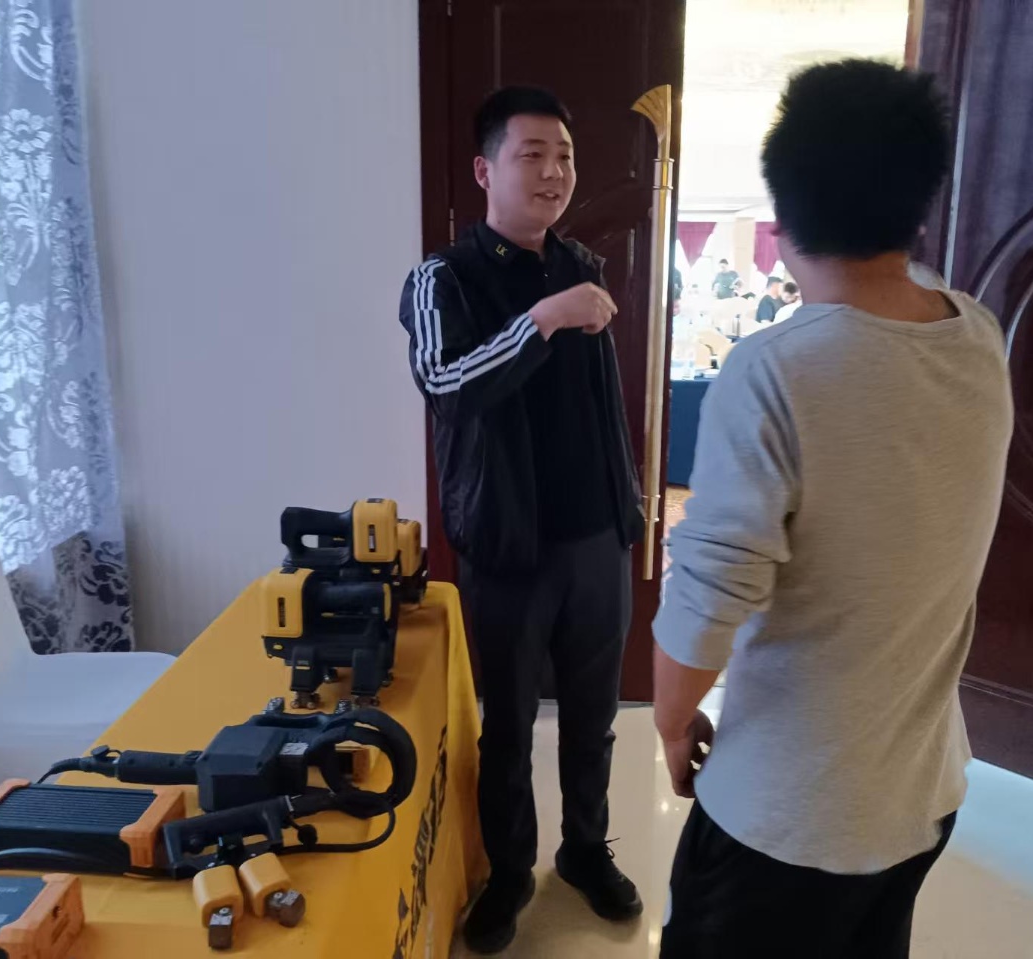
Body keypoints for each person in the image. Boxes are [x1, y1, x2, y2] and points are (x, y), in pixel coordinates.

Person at [652, 59, 1013, 958]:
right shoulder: (976, 336)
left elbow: (706, 598)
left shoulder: (776, 369)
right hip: (919, 791)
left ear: (781, 219)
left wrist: (671, 720)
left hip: (787, 812)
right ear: (919, 204)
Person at [398, 86, 644, 955]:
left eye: (564, 156)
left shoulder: (582, 262)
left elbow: (598, 408)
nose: (552, 172)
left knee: (592, 715)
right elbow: (446, 386)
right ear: (484, 169)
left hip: (596, 537)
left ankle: (584, 849)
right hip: (506, 546)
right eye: (531, 154)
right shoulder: (442, 278)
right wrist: (541, 319)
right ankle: (508, 872)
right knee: (506, 725)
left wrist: (628, 508)